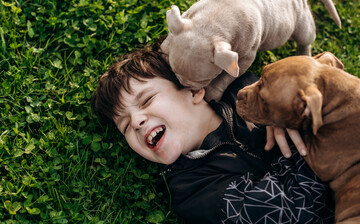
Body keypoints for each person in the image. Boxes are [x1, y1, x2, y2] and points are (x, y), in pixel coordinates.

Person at [91, 39, 335, 223]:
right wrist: (304, 138)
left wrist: (286, 112)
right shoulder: (189, 190)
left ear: (194, 90)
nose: (136, 122)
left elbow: (328, 94)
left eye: (146, 101)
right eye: (124, 125)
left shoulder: (246, 91)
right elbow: (296, 211)